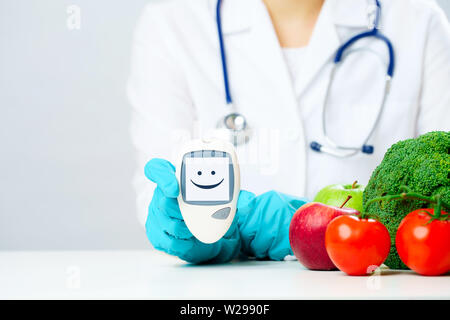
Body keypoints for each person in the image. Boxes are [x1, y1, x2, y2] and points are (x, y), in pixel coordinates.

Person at [127, 0, 450, 263]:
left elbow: (441, 200)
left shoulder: (419, 22)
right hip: (229, 294)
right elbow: (158, 192)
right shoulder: (170, 24)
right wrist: (189, 221)